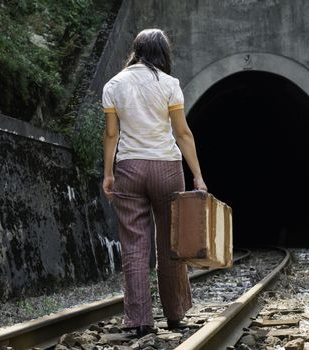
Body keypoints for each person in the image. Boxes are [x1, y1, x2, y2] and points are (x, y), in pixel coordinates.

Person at [101, 28, 208, 338]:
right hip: (167, 168)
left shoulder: (113, 85)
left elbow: (111, 135)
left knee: (134, 247)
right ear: (163, 53)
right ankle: (175, 316)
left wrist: (108, 173)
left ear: (136, 50)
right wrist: (198, 176)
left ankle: (139, 321)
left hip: (129, 169)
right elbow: (182, 134)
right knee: (170, 245)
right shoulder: (169, 84)